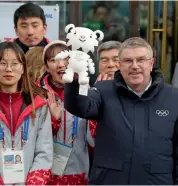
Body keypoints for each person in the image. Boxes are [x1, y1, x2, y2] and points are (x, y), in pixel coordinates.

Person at [64, 37, 178, 185]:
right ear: (120, 65)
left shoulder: (173, 97)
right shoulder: (102, 90)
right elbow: (80, 106)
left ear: (151, 63)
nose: (135, 66)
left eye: (141, 60)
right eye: (128, 61)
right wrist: (74, 81)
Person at [38, 40, 90, 185]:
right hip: (46, 172)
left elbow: (93, 139)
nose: (61, 64)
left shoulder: (85, 91)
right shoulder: (37, 94)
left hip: (78, 170)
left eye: (65, 59)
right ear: (47, 67)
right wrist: (54, 120)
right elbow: (34, 138)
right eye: (53, 60)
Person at [0, 41, 53, 185]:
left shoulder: (38, 105)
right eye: (3, 63)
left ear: (23, 68)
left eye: (15, 63)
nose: (9, 69)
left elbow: (44, 151)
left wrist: (33, 182)